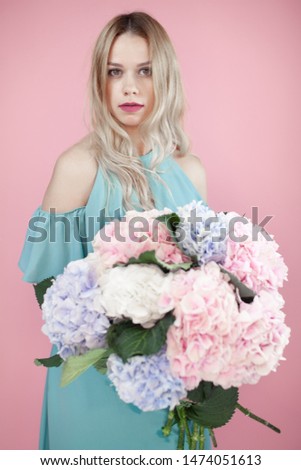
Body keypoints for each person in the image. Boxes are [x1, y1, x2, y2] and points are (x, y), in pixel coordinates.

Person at [19, 12, 209, 450]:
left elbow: (204, 284)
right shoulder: (77, 167)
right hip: (94, 386)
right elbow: (50, 288)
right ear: (99, 81)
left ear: (165, 78)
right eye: (115, 72)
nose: (129, 87)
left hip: (172, 386)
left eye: (145, 71)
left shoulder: (190, 173)